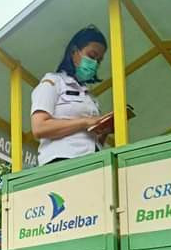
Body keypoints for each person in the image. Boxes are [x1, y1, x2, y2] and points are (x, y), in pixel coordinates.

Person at [30, 25, 112, 166]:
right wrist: (85, 122)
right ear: (74, 52)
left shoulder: (90, 98)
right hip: (61, 162)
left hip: (93, 163)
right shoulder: (53, 81)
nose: (95, 64)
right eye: (92, 56)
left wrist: (104, 130)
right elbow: (39, 127)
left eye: (99, 61)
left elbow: (91, 142)